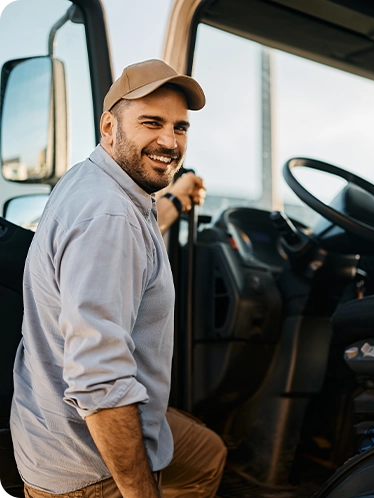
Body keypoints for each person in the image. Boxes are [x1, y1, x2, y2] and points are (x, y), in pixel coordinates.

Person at [10, 59, 226, 498]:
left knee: (205, 453)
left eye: (180, 127)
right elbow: (99, 380)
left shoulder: (100, 184)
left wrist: (178, 199)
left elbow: (135, 242)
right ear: (109, 126)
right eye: (151, 123)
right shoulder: (109, 217)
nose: (169, 141)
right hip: (89, 468)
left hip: (48, 423)